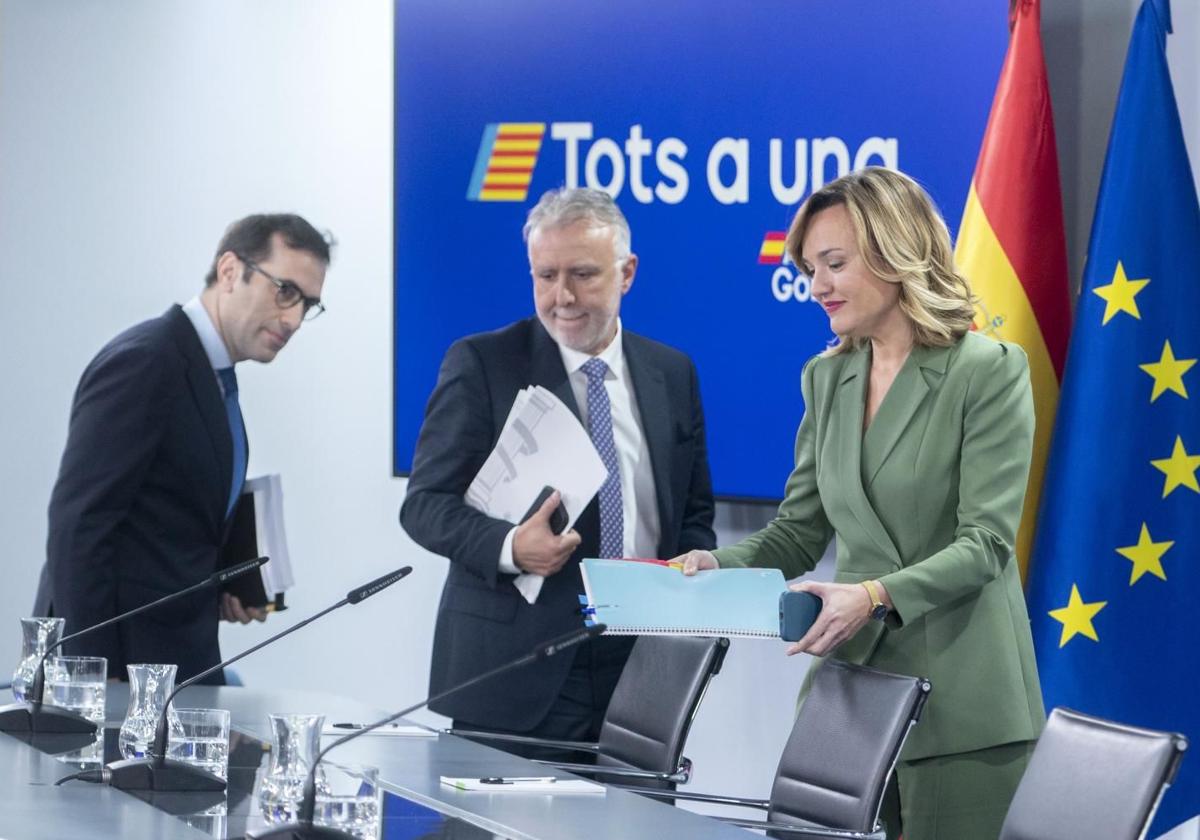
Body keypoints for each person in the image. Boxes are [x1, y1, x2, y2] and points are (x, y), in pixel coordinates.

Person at [680, 167, 1044, 839]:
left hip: (963, 701)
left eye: (834, 264)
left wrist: (873, 595)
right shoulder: (827, 377)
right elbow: (795, 533)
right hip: (849, 690)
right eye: (810, 268)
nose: (815, 286)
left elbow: (986, 545)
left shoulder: (987, 371)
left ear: (894, 252)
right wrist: (712, 563)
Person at [401, 187, 715, 753]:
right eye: (545, 276)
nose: (562, 297)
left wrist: (687, 585)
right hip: (517, 669)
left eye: (583, 275)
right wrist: (510, 547)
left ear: (628, 273)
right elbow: (424, 504)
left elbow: (692, 510)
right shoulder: (483, 364)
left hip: (640, 665)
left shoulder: (673, 372)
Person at [33, 214, 332, 684]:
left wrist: (222, 583)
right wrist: (92, 673)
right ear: (231, 271)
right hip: (118, 672)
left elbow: (165, 524)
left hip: (177, 662)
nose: (294, 318)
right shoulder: (148, 360)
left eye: (308, 304)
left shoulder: (213, 377)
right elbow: (79, 526)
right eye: (285, 291)